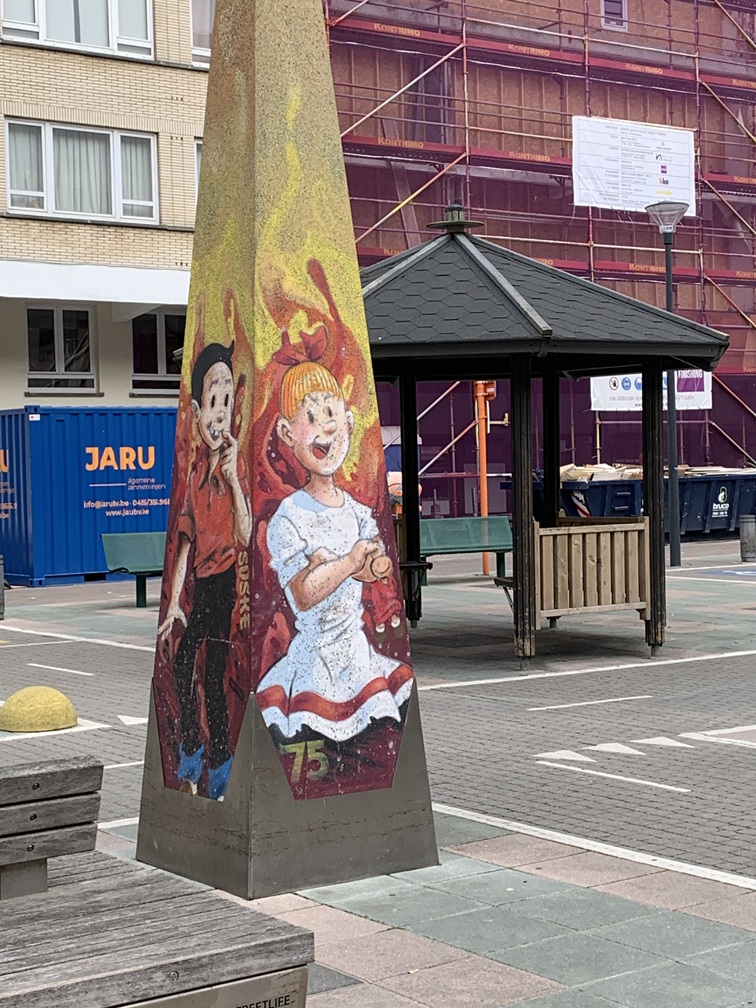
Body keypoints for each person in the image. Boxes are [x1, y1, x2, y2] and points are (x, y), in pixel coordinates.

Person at [256, 347, 413, 745]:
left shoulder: (357, 511)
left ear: (349, 421)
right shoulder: (290, 515)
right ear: (287, 433)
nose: (325, 429)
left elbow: (375, 568)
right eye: (310, 418)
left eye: (331, 414)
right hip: (315, 661)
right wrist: (348, 562)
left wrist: (369, 564)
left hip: (357, 653)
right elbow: (303, 593)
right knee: (320, 734)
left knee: (372, 731)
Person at [158, 341, 251, 801]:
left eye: (227, 401)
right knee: (186, 666)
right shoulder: (195, 479)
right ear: (196, 412)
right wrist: (174, 602)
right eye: (213, 401)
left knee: (211, 675)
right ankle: (198, 751)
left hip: (224, 586)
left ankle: (215, 764)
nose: (220, 413)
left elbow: (246, 533)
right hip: (200, 586)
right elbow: (184, 545)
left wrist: (233, 481)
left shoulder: (235, 473)